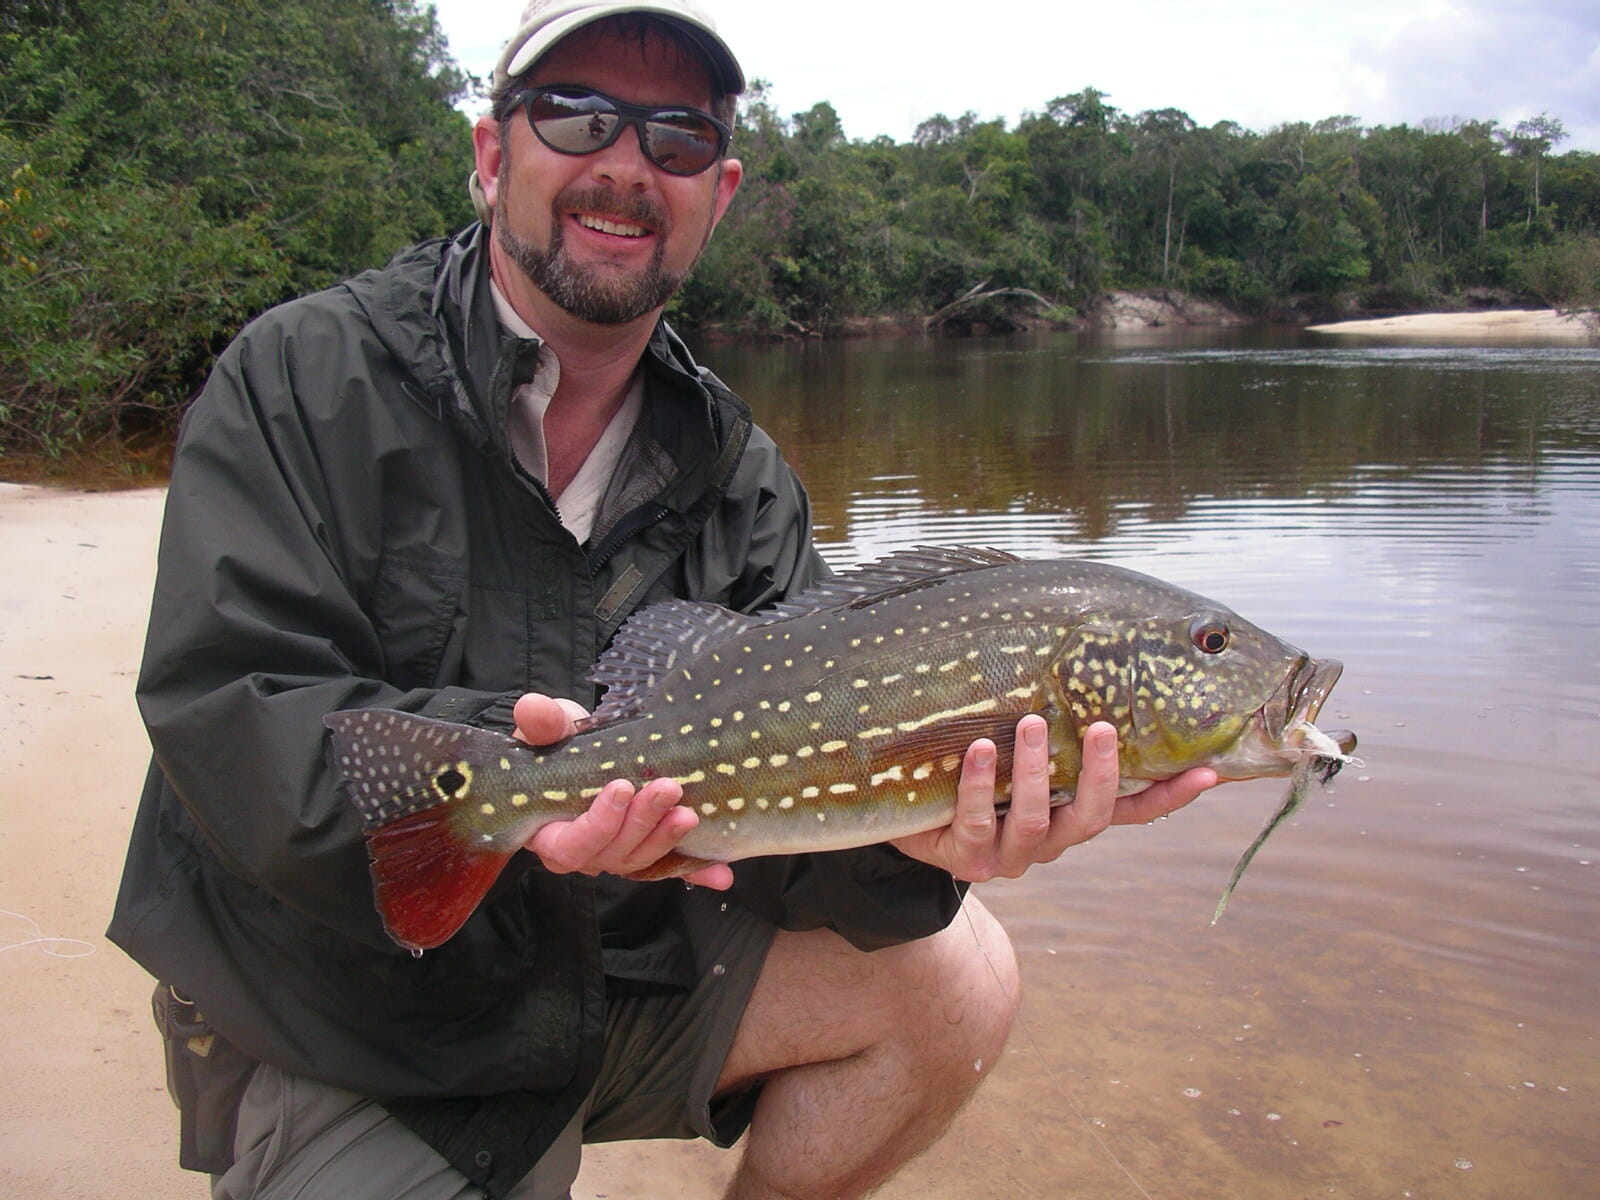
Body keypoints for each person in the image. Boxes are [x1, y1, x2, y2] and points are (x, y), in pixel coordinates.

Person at [109, 3, 1218, 1198]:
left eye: (676, 138)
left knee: (960, 976)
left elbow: (792, 840)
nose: (626, 165)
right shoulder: (302, 378)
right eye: (577, 115)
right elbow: (232, 707)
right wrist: (513, 793)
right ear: (493, 156)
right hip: (356, 1011)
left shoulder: (741, 477)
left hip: (606, 972)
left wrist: (914, 841)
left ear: (718, 190)